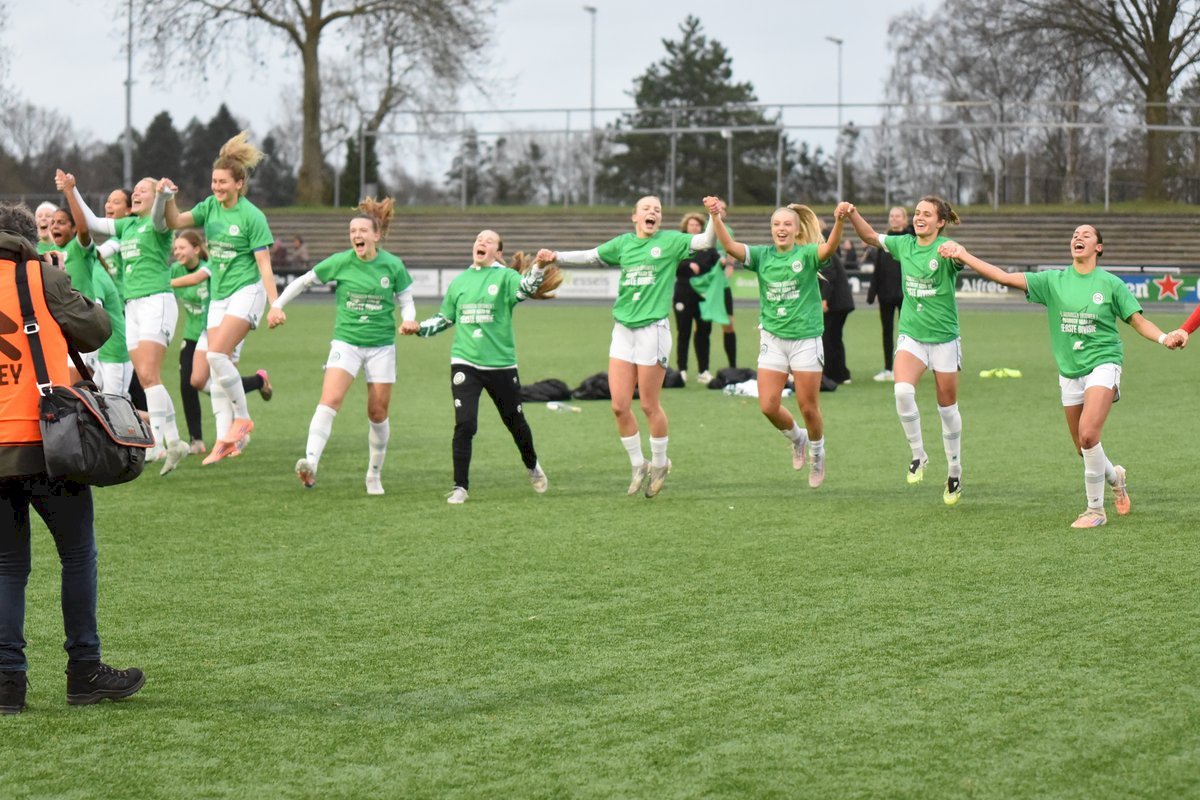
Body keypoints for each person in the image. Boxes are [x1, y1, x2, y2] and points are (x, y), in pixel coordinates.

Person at [0, 202, 144, 715]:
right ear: (28, 242)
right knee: (77, 554)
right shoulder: (42, 276)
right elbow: (97, 330)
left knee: (7, 566)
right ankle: (84, 671)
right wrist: (60, 282)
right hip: (48, 442)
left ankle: (7, 683)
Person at [938, 227, 1184, 528]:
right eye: (1075, 234)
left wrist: (1164, 338)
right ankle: (1115, 478)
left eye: (1086, 235)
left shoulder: (1111, 284)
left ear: (1099, 247)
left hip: (1104, 363)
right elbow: (1003, 277)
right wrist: (964, 255)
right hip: (1069, 371)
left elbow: (1137, 321)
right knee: (1083, 447)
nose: (1078, 237)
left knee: (1089, 434)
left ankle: (1095, 510)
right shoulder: (1053, 281)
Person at [537, 196, 716, 497]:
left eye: (657, 210)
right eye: (646, 208)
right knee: (619, 406)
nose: (653, 212)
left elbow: (706, 241)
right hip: (623, 330)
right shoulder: (623, 244)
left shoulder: (671, 241)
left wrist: (715, 216)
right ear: (634, 216)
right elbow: (591, 256)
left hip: (653, 331)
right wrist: (555, 256)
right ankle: (638, 464)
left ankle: (660, 462)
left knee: (648, 404)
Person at [267, 198, 415, 495]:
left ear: (376, 235)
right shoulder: (340, 261)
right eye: (352, 231)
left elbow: (406, 300)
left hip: (381, 347)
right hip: (346, 342)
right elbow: (304, 281)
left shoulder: (393, 265)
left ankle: (374, 475)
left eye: (362, 230)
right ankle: (310, 463)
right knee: (330, 399)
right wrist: (277, 305)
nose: (356, 235)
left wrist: (408, 319)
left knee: (377, 412)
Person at [706, 197, 851, 487]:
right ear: (771, 229)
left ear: (797, 230)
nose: (781, 228)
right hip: (772, 339)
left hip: (805, 339)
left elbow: (829, 249)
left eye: (786, 224)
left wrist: (839, 221)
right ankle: (798, 439)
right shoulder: (762, 255)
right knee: (768, 406)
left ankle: (817, 453)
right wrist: (715, 217)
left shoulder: (807, 254)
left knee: (808, 407)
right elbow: (731, 247)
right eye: (776, 224)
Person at [56, 169, 191, 476]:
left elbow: (160, 215)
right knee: (147, 378)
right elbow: (91, 222)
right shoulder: (128, 225)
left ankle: (158, 443)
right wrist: (71, 189)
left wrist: (164, 196)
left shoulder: (158, 223)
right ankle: (174, 441)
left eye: (144, 190)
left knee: (149, 375)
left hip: (156, 301)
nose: (137, 192)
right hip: (133, 307)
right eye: (136, 190)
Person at [412, 230, 558, 504]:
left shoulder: (506, 277)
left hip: (501, 364)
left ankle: (532, 465)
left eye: (489, 241)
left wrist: (538, 266)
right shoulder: (459, 282)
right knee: (465, 424)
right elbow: (445, 318)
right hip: (464, 362)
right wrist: (419, 328)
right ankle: (460, 487)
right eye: (479, 239)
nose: (481, 242)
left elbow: (526, 288)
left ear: (498, 253)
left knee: (515, 422)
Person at [162, 131, 280, 464]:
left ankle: (241, 421)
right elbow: (175, 220)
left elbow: (264, 265)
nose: (216, 187)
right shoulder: (209, 207)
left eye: (223, 182)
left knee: (216, 355)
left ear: (239, 184)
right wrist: (168, 197)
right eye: (214, 181)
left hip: (247, 292)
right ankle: (224, 440)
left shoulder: (252, 216)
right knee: (212, 369)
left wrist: (275, 305)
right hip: (220, 296)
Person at [847, 196, 966, 506]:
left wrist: (956, 255)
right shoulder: (904, 244)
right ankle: (918, 454)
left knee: (947, 410)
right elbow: (869, 236)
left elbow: (960, 260)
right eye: (917, 213)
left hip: (944, 340)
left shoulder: (947, 248)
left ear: (940, 222)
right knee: (901, 391)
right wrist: (852, 213)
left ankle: (954, 471)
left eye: (927, 214)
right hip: (912, 336)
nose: (919, 217)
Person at [170, 231, 271, 454]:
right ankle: (256, 383)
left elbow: (195, 279)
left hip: (225, 325)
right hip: (198, 331)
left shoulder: (215, 265)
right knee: (194, 381)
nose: (177, 252)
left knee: (223, 377)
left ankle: (235, 435)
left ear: (197, 249)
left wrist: (163, 284)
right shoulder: (179, 269)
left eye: (182, 247)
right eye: (175, 248)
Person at [47, 208, 131, 397]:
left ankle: (151, 418)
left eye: (61, 222)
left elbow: (84, 231)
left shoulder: (79, 252)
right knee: (77, 395)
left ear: (74, 228)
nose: (55, 226)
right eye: (53, 222)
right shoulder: (53, 254)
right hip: (65, 332)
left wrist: (69, 193)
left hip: (84, 329)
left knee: (78, 393)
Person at [672, 212, 721, 384]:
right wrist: (687, 264)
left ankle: (703, 371)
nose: (694, 227)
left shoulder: (709, 247)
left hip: (704, 297)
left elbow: (718, 265)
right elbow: (672, 264)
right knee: (683, 332)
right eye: (691, 225)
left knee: (704, 333)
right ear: (685, 227)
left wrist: (725, 262)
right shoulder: (679, 244)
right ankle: (682, 370)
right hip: (683, 295)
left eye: (697, 225)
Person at [866, 206, 911, 382]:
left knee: (906, 333)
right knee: (887, 331)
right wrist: (872, 293)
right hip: (885, 295)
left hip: (905, 295)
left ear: (904, 219)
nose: (894, 218)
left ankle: (904, 368)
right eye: (892, 216)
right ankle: (888, 368)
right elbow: (878, 269)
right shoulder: (884, 241)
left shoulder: (910, 238)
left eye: (898, 216)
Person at [820, 227, 856, 386]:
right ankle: (840, 373)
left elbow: (829, 276)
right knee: (834, 338)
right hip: (841, 303)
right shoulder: (827, 251)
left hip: (836, 303)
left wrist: (824, 299)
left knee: (829, 338)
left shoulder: (824, 253)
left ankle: (834, 374)